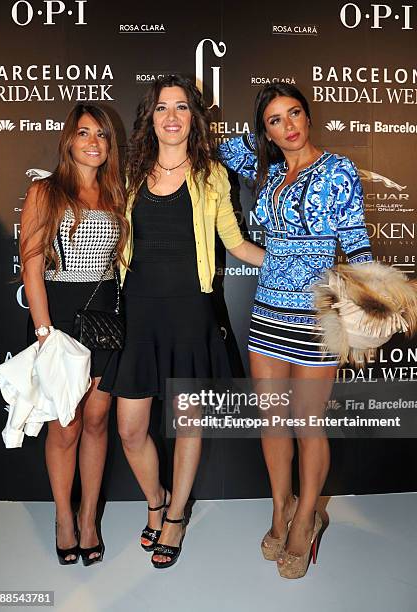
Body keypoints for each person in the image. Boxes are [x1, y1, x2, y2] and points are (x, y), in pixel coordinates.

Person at [99, 74, 265, 569]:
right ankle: (156, 499)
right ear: (150, 118)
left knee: (187, 424)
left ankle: (175, 515)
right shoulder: (130, 173)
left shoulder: (213, 175)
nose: (172, 116)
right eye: (162, 107)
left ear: (194, 117)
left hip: (191, 313)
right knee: (131, 430)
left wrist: (293, 258)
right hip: (140, 314)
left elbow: (235, 244)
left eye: (181, 107)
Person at [218, 83, 372, 578]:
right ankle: (279, 507)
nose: (290, 126)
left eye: (295, 113)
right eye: (275, 120)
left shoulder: (339, 170)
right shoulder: (267, 172)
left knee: (307, 425)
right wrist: (260, 133)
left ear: (309, 115)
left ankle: (306, 519)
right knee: (272, 422)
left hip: (315, 317)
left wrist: (367, 315)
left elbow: (357, 245)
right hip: (266, 315)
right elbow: (218, 147)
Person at [20, 103, 128, 566]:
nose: (93, 142)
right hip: (58, 318)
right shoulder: (46, 191)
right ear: (69, 140)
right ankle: (64, 516)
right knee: (65, 425)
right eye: (84, 133)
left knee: (98, 420)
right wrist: (45, 334)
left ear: (109, 145)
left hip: (104, 315)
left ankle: (89, 519)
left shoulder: (117, 193)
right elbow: (31, 266)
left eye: (102, 135)